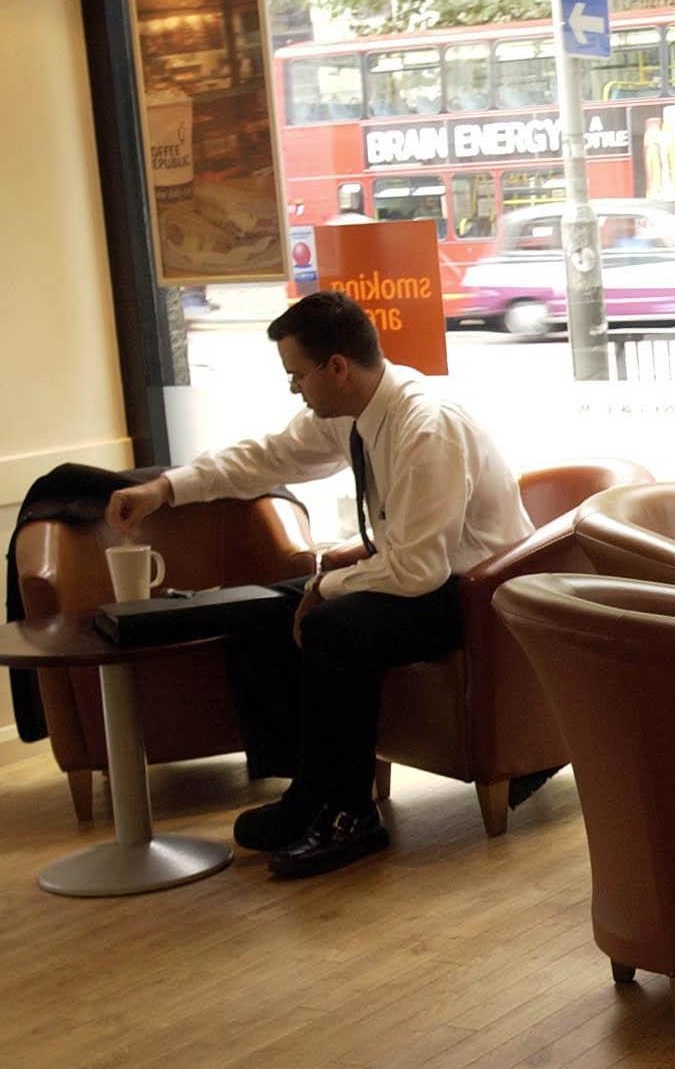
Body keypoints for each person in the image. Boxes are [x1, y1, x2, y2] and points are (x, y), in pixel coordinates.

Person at [104, 292, 534, 878]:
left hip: (479, 595)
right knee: (260, 610)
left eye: (296, 376)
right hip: (427, 579)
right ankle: (310, 793)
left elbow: (418, 570)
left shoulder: (425, 426)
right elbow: (268, 457)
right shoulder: (359, 412)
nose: (294, 391)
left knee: (334, 624)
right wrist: (165, 489)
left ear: (336, 367)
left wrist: (323, 589)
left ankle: (350, 815)